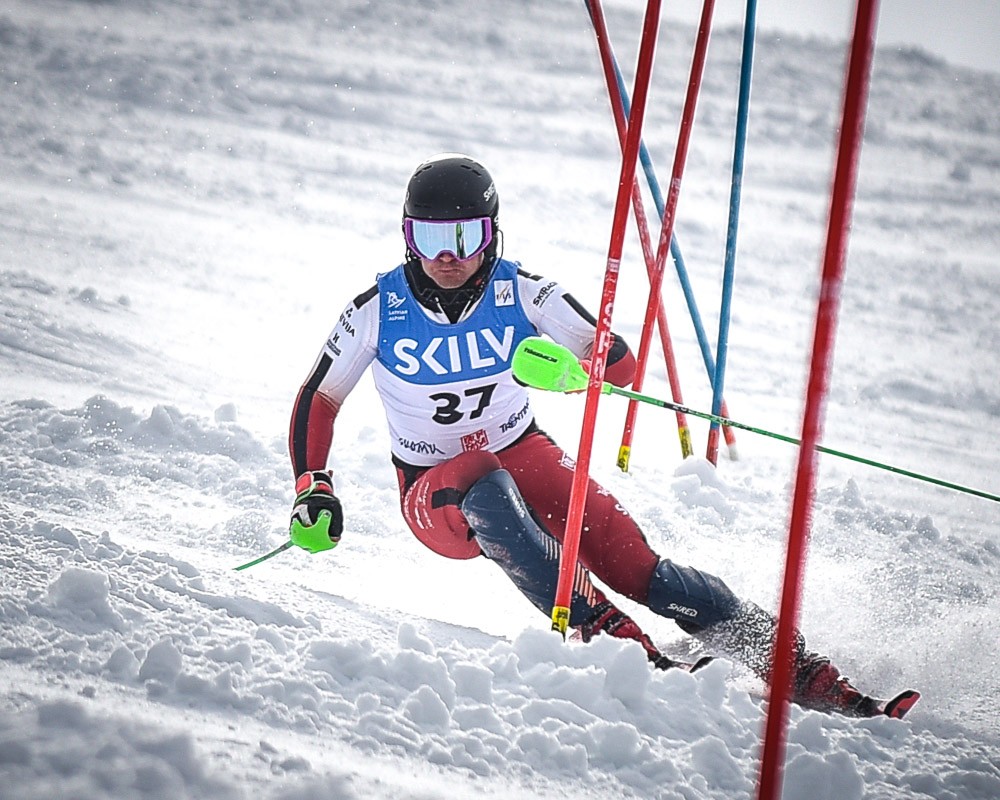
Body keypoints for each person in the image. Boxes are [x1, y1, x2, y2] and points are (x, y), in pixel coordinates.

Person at [287, 153, 903, 717]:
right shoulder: (377, 310)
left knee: (640, 567)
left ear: (491, 235)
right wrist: (313, 484)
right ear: (407, 237)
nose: (447, 256)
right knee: (483, 477)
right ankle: (626, 648)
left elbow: (618, 359)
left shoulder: (520, 291)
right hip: (435, 490)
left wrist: (579, 372)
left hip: (521, 449)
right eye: (429, 238)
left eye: (466, 236)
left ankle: (797, 666)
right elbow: (321, 397)